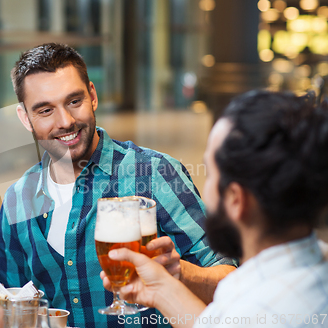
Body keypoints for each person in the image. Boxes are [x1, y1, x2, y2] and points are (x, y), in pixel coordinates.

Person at [0, 43, 236, 328]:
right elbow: (12, 306)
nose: (66, 121)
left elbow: (232, 281)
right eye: (45, 110)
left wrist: (180, 272)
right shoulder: (17, 200)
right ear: (25, 118)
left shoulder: (154, 173)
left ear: (93, 96)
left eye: (74, 101)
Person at [101, 90, 328, 327]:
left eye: (209, 173)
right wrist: (161, 290)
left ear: (235, 199)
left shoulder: (257, 313)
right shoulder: (315, 263)